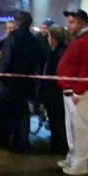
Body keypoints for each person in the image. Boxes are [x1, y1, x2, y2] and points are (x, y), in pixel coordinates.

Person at [57, 9, 88, 176]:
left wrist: (79, 91)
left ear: (83, 23)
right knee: (72, 128)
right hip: (72, 90)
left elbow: (87, 67)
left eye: (72, 22)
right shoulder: (81, 39)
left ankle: (80, 164)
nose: (68, 26)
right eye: (68, 22)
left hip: (79, 93)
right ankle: (73, 157)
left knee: (81, 129)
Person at [0, 11, 44, 153]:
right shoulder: (33, 40)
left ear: (17, 22)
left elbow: (6, 61)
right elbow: (41, 59)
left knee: (0, 111)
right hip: (26, 83)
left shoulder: (12, 39)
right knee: (22, 113)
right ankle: (22, 143)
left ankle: (0, 141)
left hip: (9, 83)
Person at [37, 25, 68, 154]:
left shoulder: (60, 52)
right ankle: (56, 145)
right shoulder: (53, 51)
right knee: (55, 120)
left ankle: (60, 148)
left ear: (54, 37)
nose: (47, 38)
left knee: (58, 121)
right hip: (51, 92)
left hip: (56, 92)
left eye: (49, 35)